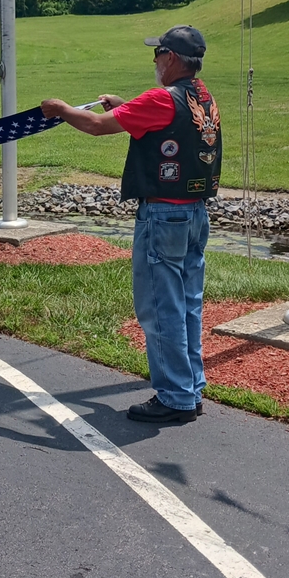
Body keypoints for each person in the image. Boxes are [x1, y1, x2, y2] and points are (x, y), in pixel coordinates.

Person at [42, 25, 222, 425]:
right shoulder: (203, 97)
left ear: (171, 58)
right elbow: (156, 125)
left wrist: (62, 109)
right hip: (195, 213)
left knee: (160, 308)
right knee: (188, 304)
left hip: (163, 215)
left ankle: (175, 396)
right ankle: (190, 389)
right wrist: (122, 106)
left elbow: (94, 126)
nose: (155, 61)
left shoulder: (161, 98)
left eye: (157, 54)